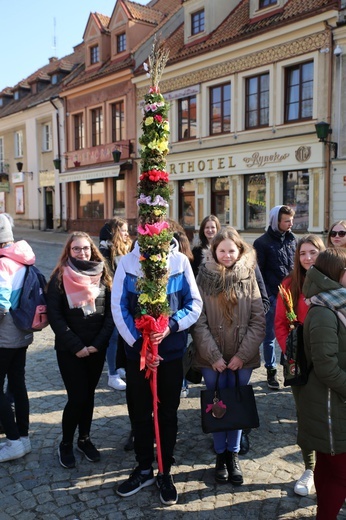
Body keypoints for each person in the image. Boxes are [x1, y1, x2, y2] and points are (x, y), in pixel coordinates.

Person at [111, 235, 202, 506]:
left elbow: (194, 304)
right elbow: (119, 307)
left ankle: (165, 470)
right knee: (139, 412)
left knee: (167, 414)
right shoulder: (126, 263)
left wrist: (171, 326)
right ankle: (143, 468)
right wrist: (141, 346)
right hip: (137, 357)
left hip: (171, 355)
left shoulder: (180, 262)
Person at [191, 227, 266, 485]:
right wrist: (212, 355)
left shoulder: (249, 276)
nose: (226, 255)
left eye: (231, 250)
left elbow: (258, 320)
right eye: (221, 250)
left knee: (234, 403)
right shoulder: (203, 277)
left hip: (241, 358)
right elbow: (197, 320)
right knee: (216, 405)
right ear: (214, 251)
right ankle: (219, 455)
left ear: (239, 251)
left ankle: (232, 455)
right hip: (211, 357)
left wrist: (241, 356)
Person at [46, 232, 114, 469]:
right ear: (68, 251)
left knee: (90, 396)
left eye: (85, 248)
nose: (82, 253)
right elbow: (55, 316)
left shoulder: (102, 273)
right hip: (70, 350)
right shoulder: (58, 278)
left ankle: (84, 439)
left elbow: (110, 314)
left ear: (92, 249)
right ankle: (65, 443)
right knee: (77, 397)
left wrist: (98, 343)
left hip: (96, 347)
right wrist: (76, 346)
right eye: (76, 249)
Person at [297, 248, 346, 519]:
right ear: (335, 274)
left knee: (328, 468)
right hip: (330, 405)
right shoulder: (325, 311)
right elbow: (327, 368)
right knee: (340, 473)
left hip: (331, 403)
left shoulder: (336, 304)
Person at [274, 234, 325, 496]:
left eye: (312, 252)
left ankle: (333, 471)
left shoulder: (333, 282)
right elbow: (280, 324)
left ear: (321, 253)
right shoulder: (290, 284)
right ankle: (310, 468)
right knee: (305, 415)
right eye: (303, 253)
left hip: (329, 359)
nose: (307, 258)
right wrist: (291, 352)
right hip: (300, 361)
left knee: (332, 415)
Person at [0, 213, 34, 462]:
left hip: (4, 336)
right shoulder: (22, 260)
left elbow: (1, 305)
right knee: (18, 383)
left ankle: (12, 440)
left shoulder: (2, 263)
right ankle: (23, 436)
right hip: (22, 333)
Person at [253, 205, 297, 389]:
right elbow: (258, 274)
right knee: (269, 337)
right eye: (287, 220)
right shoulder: (261, 243)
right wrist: (269, 296)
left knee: (292, 334)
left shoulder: (292, 239)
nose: (290, 224)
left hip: (292, 296)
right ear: (276, 221)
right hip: (272, 297)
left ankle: (289, 367)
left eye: (292, 220)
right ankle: (270, 371)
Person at [99, 217, 132, 391]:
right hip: (113, 297)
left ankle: (120, 366)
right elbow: (107, 276)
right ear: (114, 232)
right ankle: (112, 374)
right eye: (123, 230)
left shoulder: (128, 249)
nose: (126, 233)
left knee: (123, 335)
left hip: (127, 297)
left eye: (127, 230)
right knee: (112, 336)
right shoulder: (106, 250)